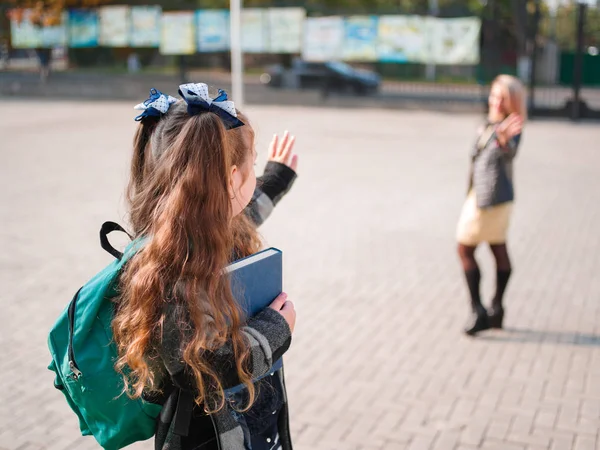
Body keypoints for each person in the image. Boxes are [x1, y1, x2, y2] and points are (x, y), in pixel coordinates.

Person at [113, 84, 299, 450]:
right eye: (253, 165)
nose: (256, 173)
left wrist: (276, 179)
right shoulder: (168, 270)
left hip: (253, 426)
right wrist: (275, 329)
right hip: (210, 438)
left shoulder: (195, 229)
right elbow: (200, 366)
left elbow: (243, 214)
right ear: (230, 181)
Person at [456, 74, 526, 336]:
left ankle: (479, 311)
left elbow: (509, 150)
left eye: (503, 97)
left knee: (464, 248)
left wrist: (503, 140)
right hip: (480, 196)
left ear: (512, 102)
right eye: (494, 95)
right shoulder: (487, 123)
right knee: (498, 249)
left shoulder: (512, 127)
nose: (496, 101)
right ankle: (496, 309)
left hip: (491, 201)